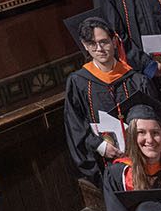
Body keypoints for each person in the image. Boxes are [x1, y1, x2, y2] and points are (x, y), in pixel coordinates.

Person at [63, 11, 153, 181]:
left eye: (104, 42)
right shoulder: (78, 83)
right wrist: (100, 145)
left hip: (144, 157)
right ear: (84, 45)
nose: (99, 49)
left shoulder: (135, 79)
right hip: (108, 164)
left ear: (114, 41)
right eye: (92, 44)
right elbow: (75, 125)